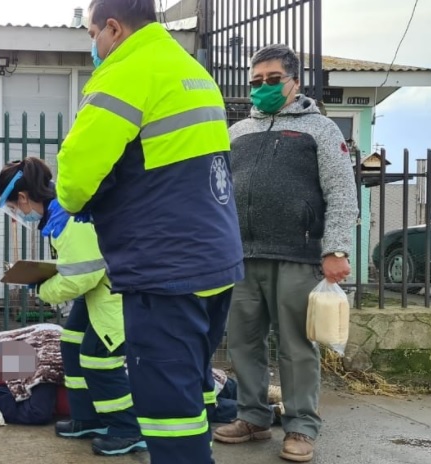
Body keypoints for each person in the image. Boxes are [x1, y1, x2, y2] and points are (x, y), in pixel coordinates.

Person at [54, 0, 245, 462]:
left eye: (92, 36)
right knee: (195, 387)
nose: (94, 48)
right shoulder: (190, 69)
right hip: (214, 258)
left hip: (164, 266)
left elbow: (76, 180)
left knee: (165, 404)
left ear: (114, 29)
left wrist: (74, 199)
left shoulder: (126, 71)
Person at [211, 44, 358, 463]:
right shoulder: (237, 133)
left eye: (272, 80)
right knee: (243, 343)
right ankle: (253, 417)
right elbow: (218, 193)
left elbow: (342, 192)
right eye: (255, 81)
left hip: (298, 253)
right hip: (242, 256)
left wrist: (336, 248)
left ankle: (301, 427)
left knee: (296, 346)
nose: (262, 88)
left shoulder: (320, 130)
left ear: (294, 81)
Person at [0, 157, 146, 456]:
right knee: (72, 344)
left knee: (98, 359)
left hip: (114, 295)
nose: (16, 214)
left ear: (23, 198)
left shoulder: (68, 220)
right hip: (101, 291)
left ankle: (127, 429)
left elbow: (83, 275)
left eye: (13, 207)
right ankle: (88, 418)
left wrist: (42, 287)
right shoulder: (60, 214)